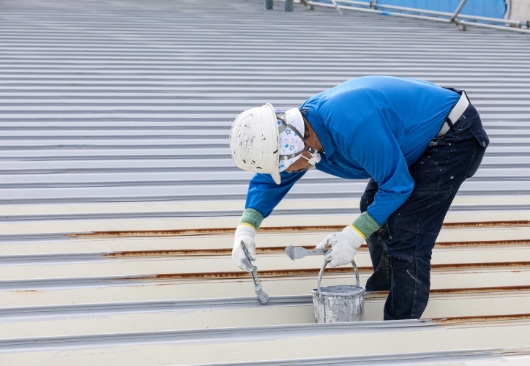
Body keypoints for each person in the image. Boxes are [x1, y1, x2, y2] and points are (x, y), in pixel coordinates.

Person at [228, 76, 489, 320]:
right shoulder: (299, 130)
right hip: (411, 139)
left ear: (296, 148)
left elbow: (397, 186)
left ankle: (401, 328)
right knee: (372, 207)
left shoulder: (353, 129)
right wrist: (246, 229)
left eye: (283, 165)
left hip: (453, 135)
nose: (285, 173)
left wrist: (353, 235)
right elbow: (273, 178)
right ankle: (385, 286)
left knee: (409, 229)